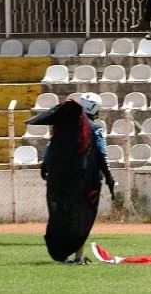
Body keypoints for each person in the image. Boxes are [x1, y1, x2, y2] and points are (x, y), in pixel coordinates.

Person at [37, 92, 115, 265]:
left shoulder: (63, 125)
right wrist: (109, 177)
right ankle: (78, 257)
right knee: (81, 218)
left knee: (61, 216)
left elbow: (51, 145)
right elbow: (102, 154)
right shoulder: (95, 128)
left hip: (60, 180)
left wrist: (45, 164)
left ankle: (62, 253)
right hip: (84, 181)